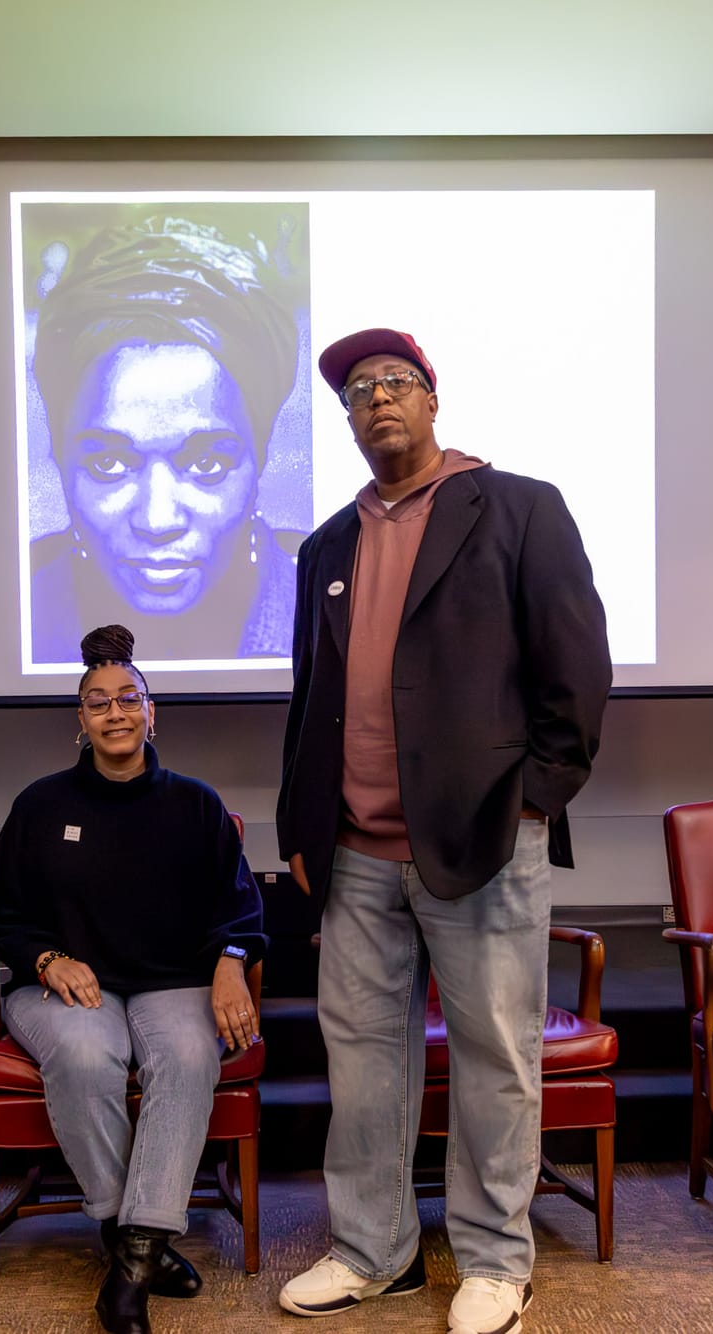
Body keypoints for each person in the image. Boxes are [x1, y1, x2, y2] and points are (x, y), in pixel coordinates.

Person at [274, 330, 612, 1334]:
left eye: (395, 383)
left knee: (494, 1056)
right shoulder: (326, 544)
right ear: (344, 421)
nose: (376, 398)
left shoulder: (516, 508)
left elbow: (575, 668)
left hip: (480, 844)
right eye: (356, 391)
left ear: (430, 401)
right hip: (352, 852)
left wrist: (534, 799)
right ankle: (372, 1250)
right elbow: (310, 699)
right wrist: (300, 821)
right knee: (363, 1061)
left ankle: (495, 1262)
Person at [0, 623, 267, 1334]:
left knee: (192, 1053)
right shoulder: (40, 806)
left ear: (151, 712)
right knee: (82, 1053)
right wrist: (47, 958)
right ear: (79, 720)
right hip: (68, 986)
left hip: (175, 981)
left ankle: (129, 1266)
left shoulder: (196, 805)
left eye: (128, 699)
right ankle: (133, 1239)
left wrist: (231, 966)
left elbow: (243, 910)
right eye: (98, 702)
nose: (115, 713)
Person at [28, 215, 305, 663]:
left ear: (262, 456)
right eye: (109, 464)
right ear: (58, 457)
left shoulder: (328, 615)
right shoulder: (1, 613)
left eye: (206, 464)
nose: (157, 522)